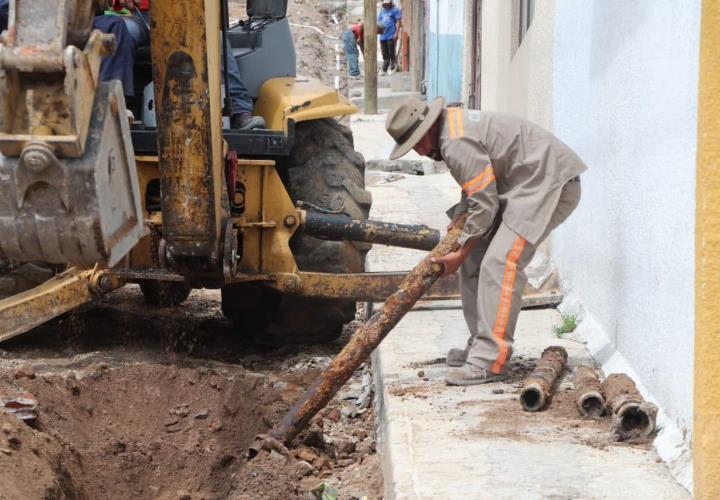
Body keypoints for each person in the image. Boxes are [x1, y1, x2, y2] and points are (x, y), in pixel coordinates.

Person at [385, 97, 587, 386]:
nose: (419, 151)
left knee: (500, 262)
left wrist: (459, 252)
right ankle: (481, 343)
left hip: (549, 185)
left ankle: (489, 361)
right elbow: (478, 187)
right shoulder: (451, 131)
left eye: (416, 143)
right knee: (474, 256)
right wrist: (462, 221)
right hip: (524, 186)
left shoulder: (455, 143)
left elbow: (486, 203)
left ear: (427, 128)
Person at [113, 0, 266, 130]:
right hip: (139, 17)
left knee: (215, 37)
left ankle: (239, 111)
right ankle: (117, 107)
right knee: (123, 31)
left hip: (182, 14)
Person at [377, 1, 401, 76]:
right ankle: (384, 68)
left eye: (387, 3)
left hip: (391, 35)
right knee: (384, 53)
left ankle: (393, 66)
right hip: (382, 35)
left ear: (390, 3)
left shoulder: (395, 10)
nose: (386, 5)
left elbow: (398, 22)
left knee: (391, 52)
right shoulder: (382, 10)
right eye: (385, 4)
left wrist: (396, 33)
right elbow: (379, 22)